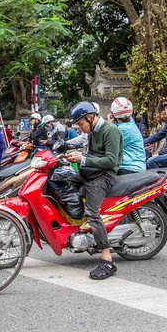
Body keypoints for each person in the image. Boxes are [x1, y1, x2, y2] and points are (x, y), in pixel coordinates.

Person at [64, 101, 123, 280]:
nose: (80, 128)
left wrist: (83, 159)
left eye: (81, 124)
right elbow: (91, 155)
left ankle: (107, 258)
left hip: (104, 176)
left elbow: (111, 161)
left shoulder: (110, 131)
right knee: (61, 182)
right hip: (90, 172)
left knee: (92, 212)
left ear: (90, 117)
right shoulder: (92, 132)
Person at [108, 97, 146, 175]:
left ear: (113, 114)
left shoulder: (123, 129)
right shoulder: (130, 123)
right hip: (132, 165)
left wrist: (109, 124)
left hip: (129, 167)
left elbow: (107, 145)